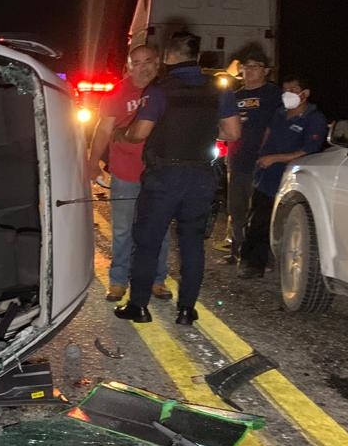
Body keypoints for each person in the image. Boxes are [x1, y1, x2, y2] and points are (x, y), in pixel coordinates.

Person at [114, 33, 241, 325]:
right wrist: (206, 132)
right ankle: (186, 310)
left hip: (164, 177)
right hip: (201, 176)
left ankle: (139, 307)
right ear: (196, 56)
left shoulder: (160, 90)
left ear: (169, 56)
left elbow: (140, 133)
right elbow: (233, 133)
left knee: (147, 242)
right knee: (193, 244)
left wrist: (122, 134)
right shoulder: (218, 89)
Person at [88, 44, 171, 302]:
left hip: (159, 173)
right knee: (123, 231)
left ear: (157, 63)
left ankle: (158, 280)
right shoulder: (117, 94)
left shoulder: (166, 91)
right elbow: (103, 130)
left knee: (161, 230)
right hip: (126, 173)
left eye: (148, 61)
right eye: (136, 62)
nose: (142, 67)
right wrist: (92, 162)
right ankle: (118, 281)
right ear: (129, 66)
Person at [238, 75, 327, 278]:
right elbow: (268, 135)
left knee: (269, 221)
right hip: (265, 175)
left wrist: (276, 158)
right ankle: (247, 258)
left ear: (305, 94)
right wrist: (262, 156)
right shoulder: (280, 113)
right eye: (285, 90)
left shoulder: (314, 119)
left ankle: (258, 264)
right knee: (255, 217)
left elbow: (308, 150)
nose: (288, 94)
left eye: (293, 90)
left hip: (289, 179)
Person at [221, 48, 282, 264]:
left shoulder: (273, 94)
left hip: (262, 162)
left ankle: (261, 256)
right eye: (246, 67)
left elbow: (277, 125)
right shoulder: (235, 96)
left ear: (265, 70)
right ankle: (236, 250)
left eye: (255, 66)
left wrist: (267, 151)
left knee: (259, 211)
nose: (249, 70)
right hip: (237, 160)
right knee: (236, 208)